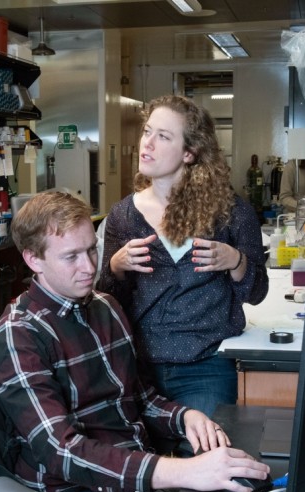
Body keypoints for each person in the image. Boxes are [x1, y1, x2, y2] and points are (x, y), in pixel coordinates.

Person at [0, 191, 270, 492]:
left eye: (92, 249)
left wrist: (186, 418)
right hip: (76, 488)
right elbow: (61, 452)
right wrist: (183, 471)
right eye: (71, 256)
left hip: (135, 474)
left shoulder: (105, 306)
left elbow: (139, 399)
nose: (90, 267)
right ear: (33, 259)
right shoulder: (18, 336)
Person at [96, 95, 269, 417]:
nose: (147, 143)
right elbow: (109, 301)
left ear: (189, 153)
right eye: (147, 132)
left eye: (163, 137)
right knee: (138, 463)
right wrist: (116, 267)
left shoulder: (232, 212)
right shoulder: (122, 215)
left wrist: (236, 261)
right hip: (137, 366)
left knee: (204, 458)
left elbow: (257, 293)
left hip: (206, 367)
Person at [278, 143, 305, 213]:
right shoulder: (291, 167)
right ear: (303, 154)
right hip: (296, 215)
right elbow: (284, 197)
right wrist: (302, 207)